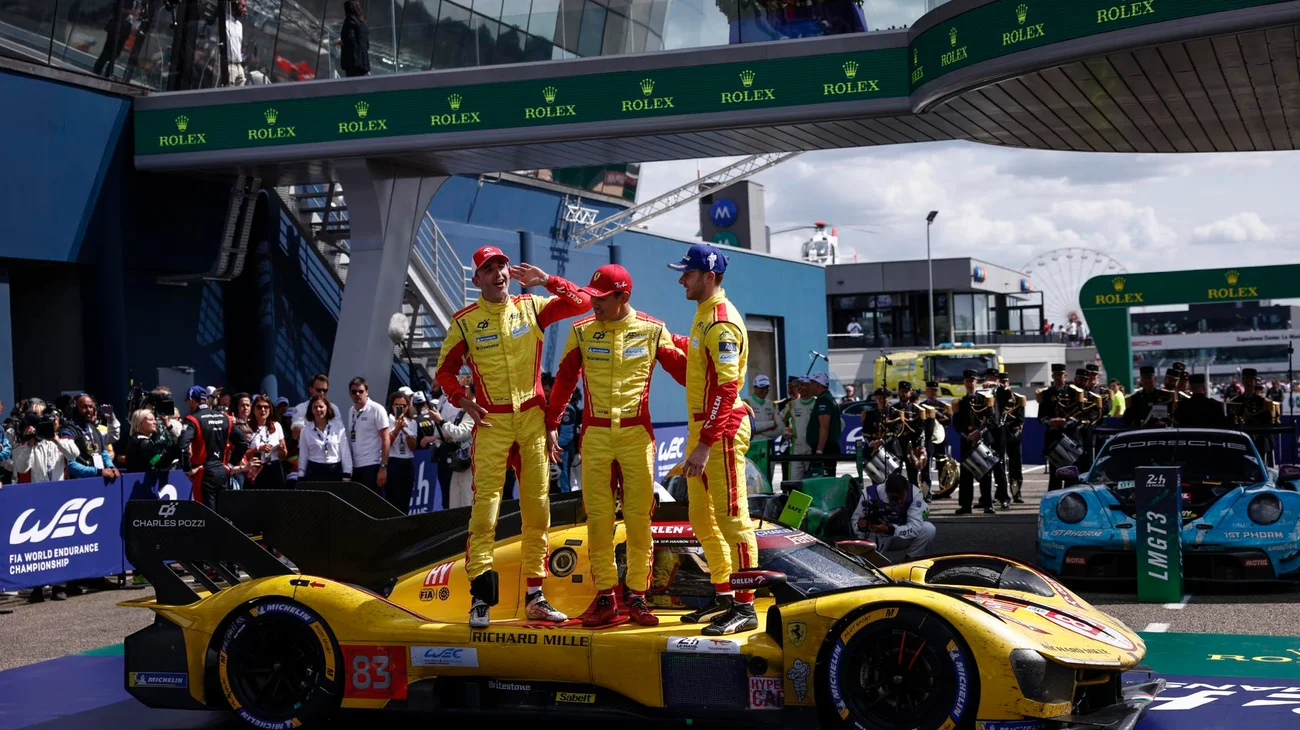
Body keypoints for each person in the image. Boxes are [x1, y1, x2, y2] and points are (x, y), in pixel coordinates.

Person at [434, 245, 591, 628]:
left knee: (537, 508)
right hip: (492, 423)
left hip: (533, 420)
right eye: (489, 269)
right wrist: (463, 401)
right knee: (485, 510)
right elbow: (444, 371)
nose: (499, 273)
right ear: (477, 280)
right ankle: (481, 600)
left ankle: (536, 596)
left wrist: (547, 281)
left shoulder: (532, 305)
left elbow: (583, 302)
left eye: (502, 266)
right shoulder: (465, 322)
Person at [546, 264, 687, 628]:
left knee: (640, 519)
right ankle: (606, 596)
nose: (594, 304)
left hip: (636, 434)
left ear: (623, 296)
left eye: (602, 299)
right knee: (598, 520)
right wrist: (551, 424)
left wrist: (727, 395)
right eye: (592, 297)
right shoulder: (581, 331)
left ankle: (638, 597)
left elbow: (686, 373)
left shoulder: (653, 330)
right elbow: (563, 380)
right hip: (594, 435)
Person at [667, 243, 760, 636]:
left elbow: (725, 389)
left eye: (687, 273)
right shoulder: (704, 315)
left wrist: (705, 444)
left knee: (733, 520)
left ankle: (746, 605)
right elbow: (698, 364)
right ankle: (724, 596)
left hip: (717, 434)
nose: (681, 279)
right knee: (702, 521)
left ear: (709, 276)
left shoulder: (721, 320)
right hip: (703, 431)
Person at [178, 385, 248, 510]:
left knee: (207, 515)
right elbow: (243, 442)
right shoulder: (225, 417)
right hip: (222, 471)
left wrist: (187, 470)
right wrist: (230, 465)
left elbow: (182, 447)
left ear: (191, 399)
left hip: (203, 472)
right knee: (221, 513)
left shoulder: (192, 419)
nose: (188, 404)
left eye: (188, 402)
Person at [851, 471, 936, 559]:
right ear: (886, 491)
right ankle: (869, 562)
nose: (899, 502)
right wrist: (862, 526)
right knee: (867, 538)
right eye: (894, 498)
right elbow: (855, 524)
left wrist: (889, 529)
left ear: (906, 490)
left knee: (928, 529)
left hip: (899, 534)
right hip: (875, 536)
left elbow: (915, 527)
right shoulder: (868, 494)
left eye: (902, 497)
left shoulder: (915, 494)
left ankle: (911, 559)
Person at [296, 395, 353, 481]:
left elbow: (345, 451)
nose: (318, 409)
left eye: (321, 407)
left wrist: (347, 472)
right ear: (311, 410)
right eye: (315, 407)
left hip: (335, 470)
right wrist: (301, 473)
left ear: (327, 408)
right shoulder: (305, 430)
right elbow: (303, 454)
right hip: (315, 470)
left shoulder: (338, 426)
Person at [801, 371, 841, 478]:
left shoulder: (823, 400)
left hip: (825, 448)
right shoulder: (827, 398)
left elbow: (824, 427)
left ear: (818, 385)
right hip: (828, 447)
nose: (809, 386)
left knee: (822, 479)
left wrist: (819, 451)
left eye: (812, 383)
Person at [385, 391, 418, 513]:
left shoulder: (412, 422)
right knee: (392, 499)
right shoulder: (387, 420)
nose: (400, 408)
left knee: (405, 499)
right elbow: (387, 443)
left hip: (407, 462)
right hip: (393, 461)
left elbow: (413, 446)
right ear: (392, 406)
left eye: (403, 406)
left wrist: (405, 430)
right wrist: (397, 428)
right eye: (396, 405)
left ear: (408, 406)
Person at [744, 375, 780, 443]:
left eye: (767, 387)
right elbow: (749, 427)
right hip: (752, 445)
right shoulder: (746, 402)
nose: (765, 390)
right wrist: (771, 424)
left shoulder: (772, 405)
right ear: (754, 387)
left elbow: (780, 430)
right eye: (762, 388)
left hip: (768, 443)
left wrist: (759, 430)